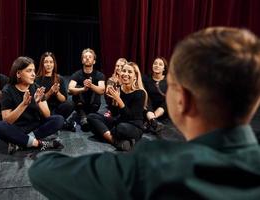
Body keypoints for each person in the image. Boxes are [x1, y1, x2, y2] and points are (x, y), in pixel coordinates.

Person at [29, 27, 260, 199]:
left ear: (183, 99)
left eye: (170, 84)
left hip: (128, 127)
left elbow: (41, 170)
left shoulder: (156, 166)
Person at [0, 57, 64, 154]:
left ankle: (21, 142)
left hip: (35, 127)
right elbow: (7, 120)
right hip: (17, 129)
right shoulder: (8, 90)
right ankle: (40, 144)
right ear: (18, 74)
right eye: (29, 71)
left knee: (59, 119)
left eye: (33, 70)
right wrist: (24, 104)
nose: (33, 74)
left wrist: (38, 102)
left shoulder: (36, 88)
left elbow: (47, 115)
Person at [88, 62, 147, 151]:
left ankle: (107, 133)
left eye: (130, 72)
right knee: (91, 117)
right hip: (119, 121)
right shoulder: (119, 89)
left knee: (120, 128)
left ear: (135, 76)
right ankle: (116, 141)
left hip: (133, 126)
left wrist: (118, 99)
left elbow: (130, 117)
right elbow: (114, 113)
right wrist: (114, 100)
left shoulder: (140, 93)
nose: (125, 74)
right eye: (124, 71)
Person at [35, 52, 76, 132]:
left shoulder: (59, 78)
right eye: (46, 62)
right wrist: (50, 93)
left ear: (54, 64)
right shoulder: (37, 79)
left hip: (56, 109)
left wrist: (57, 93)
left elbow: (64, 99)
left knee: (70, 104)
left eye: (51, 62)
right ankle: (62, 123)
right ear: (42, 64)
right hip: (43, 109)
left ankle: (55, 122)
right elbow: (38, 100)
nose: (49, 64)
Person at [68, 48, 105, 131]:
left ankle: (90, 116)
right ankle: (83, 117)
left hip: (93, 105)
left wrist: (91, 86)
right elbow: (70, 89)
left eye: (90, 57)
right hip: (81, 105)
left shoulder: (99, 75)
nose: (87, 58)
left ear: (94, 61)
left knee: (97, 88)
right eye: (85, 57)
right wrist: (83, 89)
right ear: (82, 61)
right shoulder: (77, 74)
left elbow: (102, 90)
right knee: (76, 87)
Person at [142, 57, 168, 135]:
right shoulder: (145, 78)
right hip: (148, 108)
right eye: (155, 63)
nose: (157, 65)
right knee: (145, 96)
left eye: (160, 64)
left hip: (162, 110)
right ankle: (153, 121)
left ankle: (152, 119)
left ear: (164, 69)